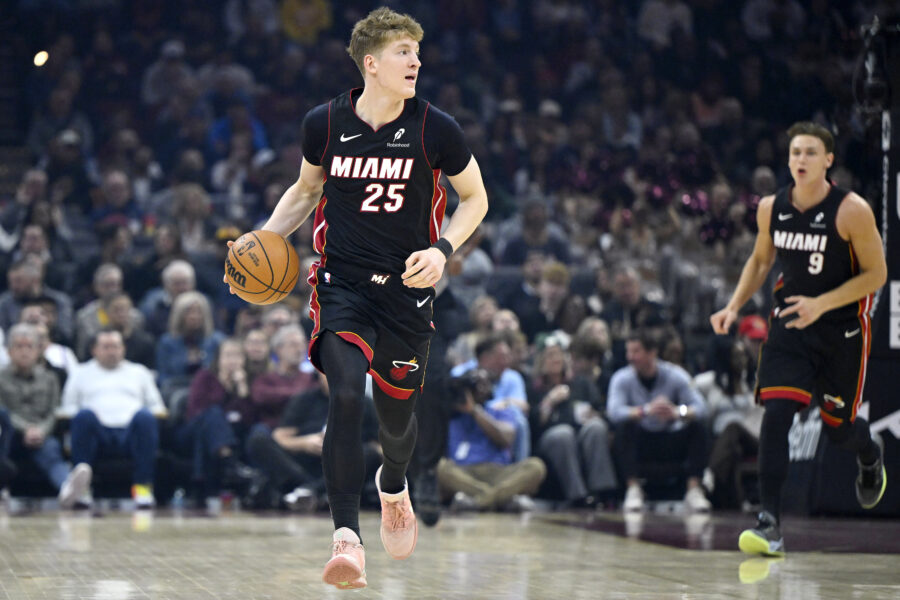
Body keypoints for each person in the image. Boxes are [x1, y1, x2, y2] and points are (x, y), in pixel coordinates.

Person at [227, 7, 488, 589]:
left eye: (417, 52)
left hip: (407, 291)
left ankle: (392, 487)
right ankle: (346, 536)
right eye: (403, 52)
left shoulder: (436, 128)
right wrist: (260, 242)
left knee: (396, 424)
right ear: (371, 63)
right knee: (344, 395)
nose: (415, 61)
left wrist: (443, 250)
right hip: (341, 283)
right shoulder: (323, 123)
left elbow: (476, 199)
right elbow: (305, 191)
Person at [710, 122, 888, 557]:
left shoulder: (852, 210)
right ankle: (769, 523)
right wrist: (734, 306)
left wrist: (822, 304)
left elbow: (877, 275)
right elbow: (760, 260)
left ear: (829, 160)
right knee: (776, 415)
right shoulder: (771, 208)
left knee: (839, 428)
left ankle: (869, 452)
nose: (801, 160)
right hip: (790, 324)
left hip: (842, 330)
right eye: (795, 153)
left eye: (810, 152)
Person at [58, 329, 168, 509]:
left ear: (123, 349)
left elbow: (157, 407)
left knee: (146, 417)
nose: (112, 352)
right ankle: (82, 488)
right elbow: (68, 407)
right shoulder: (80, 373)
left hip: (130, 433)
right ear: (94, 350)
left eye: (116, 346)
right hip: (97, 433)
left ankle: (142, 488)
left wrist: (148, 414)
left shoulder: (139, 372)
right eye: (106, 347)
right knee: (83, 416)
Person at [606, 330, 711, 513]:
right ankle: (633, 489)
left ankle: (694, 490)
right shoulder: (621, 378)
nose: (630, 357)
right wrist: (645, 410)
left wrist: (677, 412)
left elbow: (702, 408)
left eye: (636, 351)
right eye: (628, 351)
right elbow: (614, 412)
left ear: (652, 352)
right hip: (641, 440)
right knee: (623, 427)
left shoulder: (676, 374)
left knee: (698, 427)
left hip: (670, 437)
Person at [437, 368, 546, 513]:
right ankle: (502, 499)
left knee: (536, 466)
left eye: (485, 383)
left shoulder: (499, 411)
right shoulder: (451, 416)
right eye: (476, 384)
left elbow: (506, 439)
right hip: (464, 474)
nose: (480, 388)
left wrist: (474, 411)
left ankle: (478, 502)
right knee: (439, 467)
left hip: (499, 473)